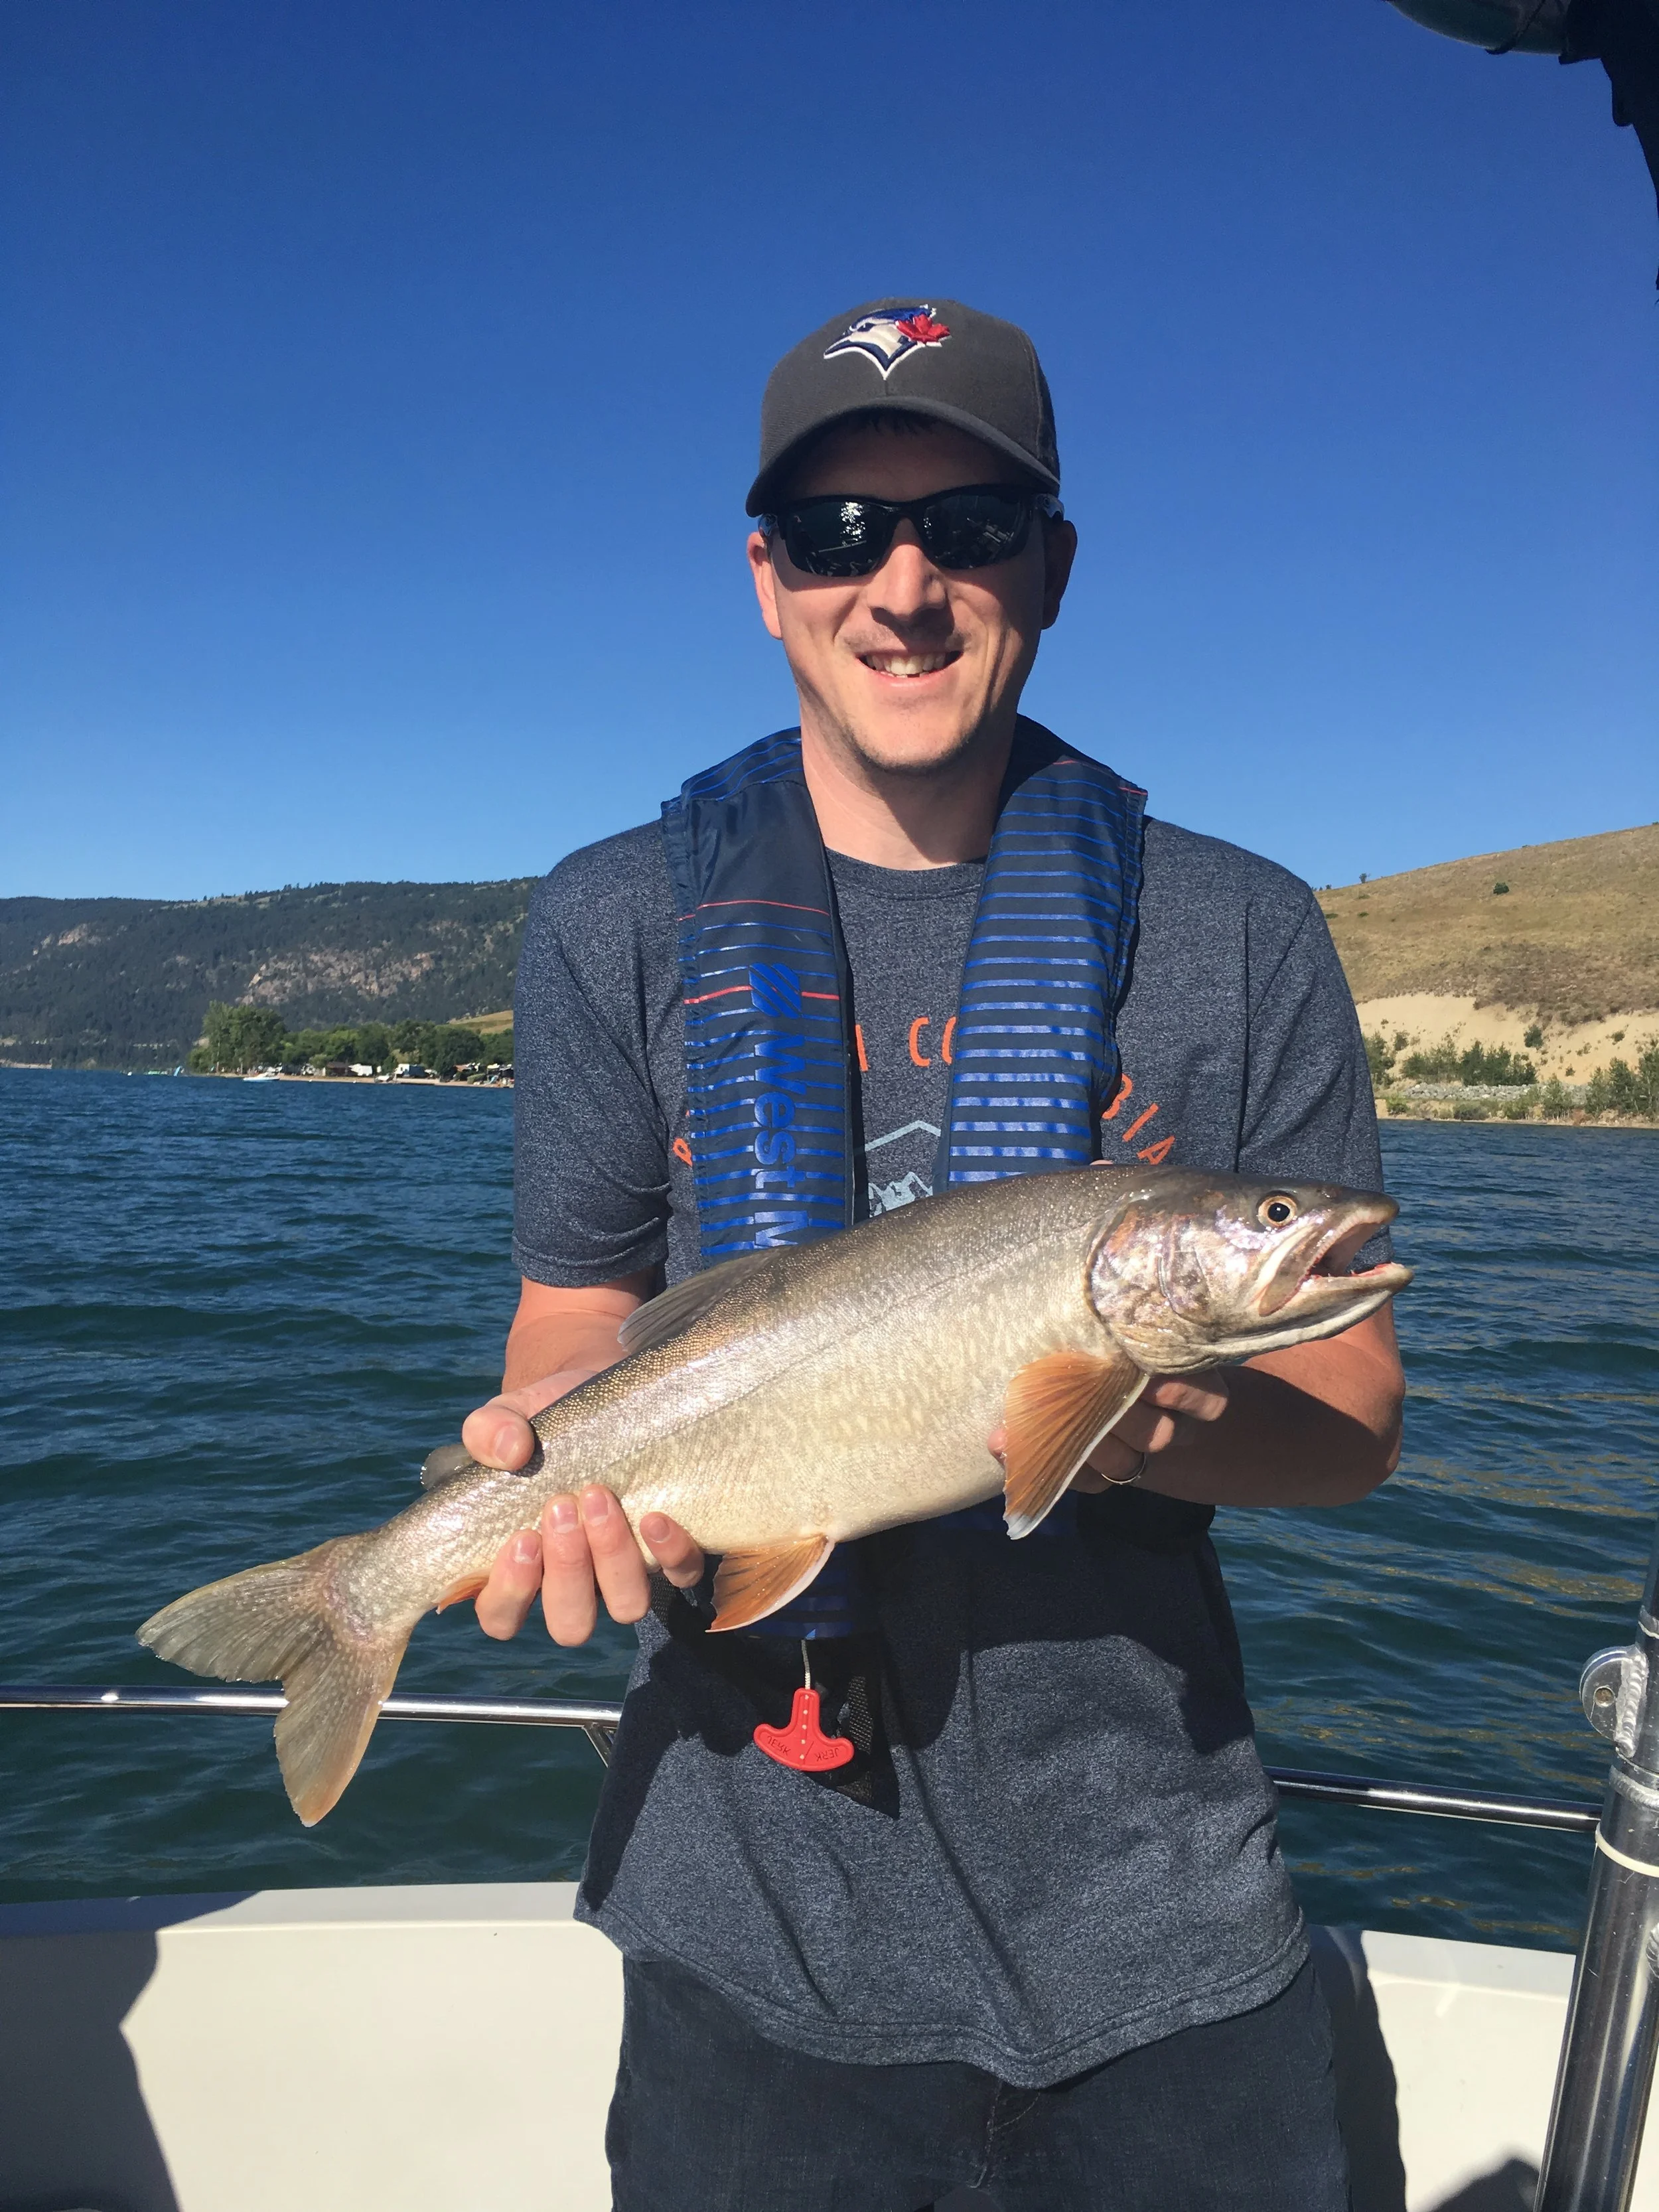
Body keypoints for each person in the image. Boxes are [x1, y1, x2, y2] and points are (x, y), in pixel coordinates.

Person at [461, 297, 1404, 2211]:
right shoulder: (611, 918)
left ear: (1049, 559)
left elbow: (1355, 1421)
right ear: (764, 575)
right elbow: (573, 1311)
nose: (902, 584)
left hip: (1165, 1921)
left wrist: (1129, 1416)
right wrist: (535, 1463)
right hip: (750, 1928)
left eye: (967, 525)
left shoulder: (1241, 926)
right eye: (838, 533)